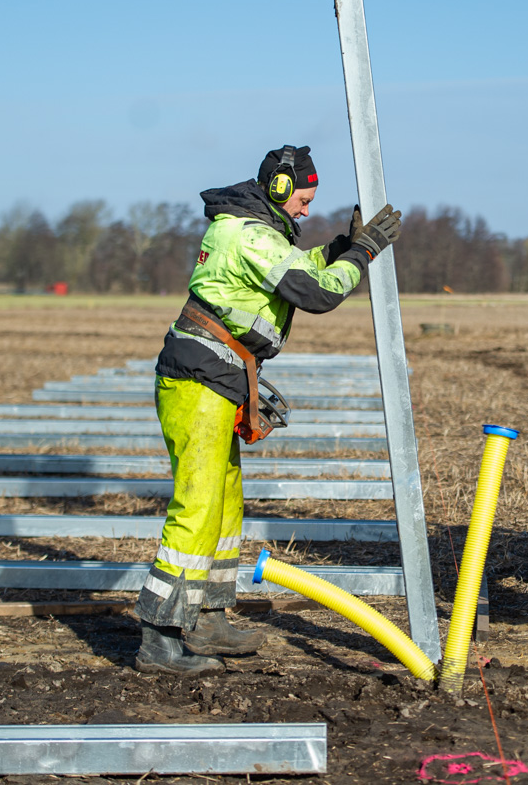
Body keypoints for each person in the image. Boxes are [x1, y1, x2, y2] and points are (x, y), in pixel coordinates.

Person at [134, 144, 401, 675]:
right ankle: (159, 637)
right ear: (280, 190)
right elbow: (316, 293)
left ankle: (207, 616)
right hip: (199, 380)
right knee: (198, 505)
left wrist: (345, 245)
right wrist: (363, 253)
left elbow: (301, 268)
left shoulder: (256, 231)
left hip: (214, 377)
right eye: (303, 199)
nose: (305, 210)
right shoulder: (248, 234)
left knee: (225, 502)